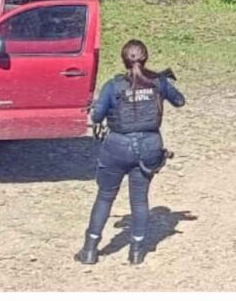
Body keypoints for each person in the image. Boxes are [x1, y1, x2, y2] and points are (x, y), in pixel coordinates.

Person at [75, 39, 185, 265]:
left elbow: (96, 118)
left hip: (117, 146)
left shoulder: (113, 86)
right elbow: (180, 101)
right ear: (146, 58)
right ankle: (136, 251)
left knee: (105, 196)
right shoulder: (158, 82)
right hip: (149, 148)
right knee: (140, 200)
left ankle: (89, 250)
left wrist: (98, 107)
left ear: (123, 60)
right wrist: (162, 85)